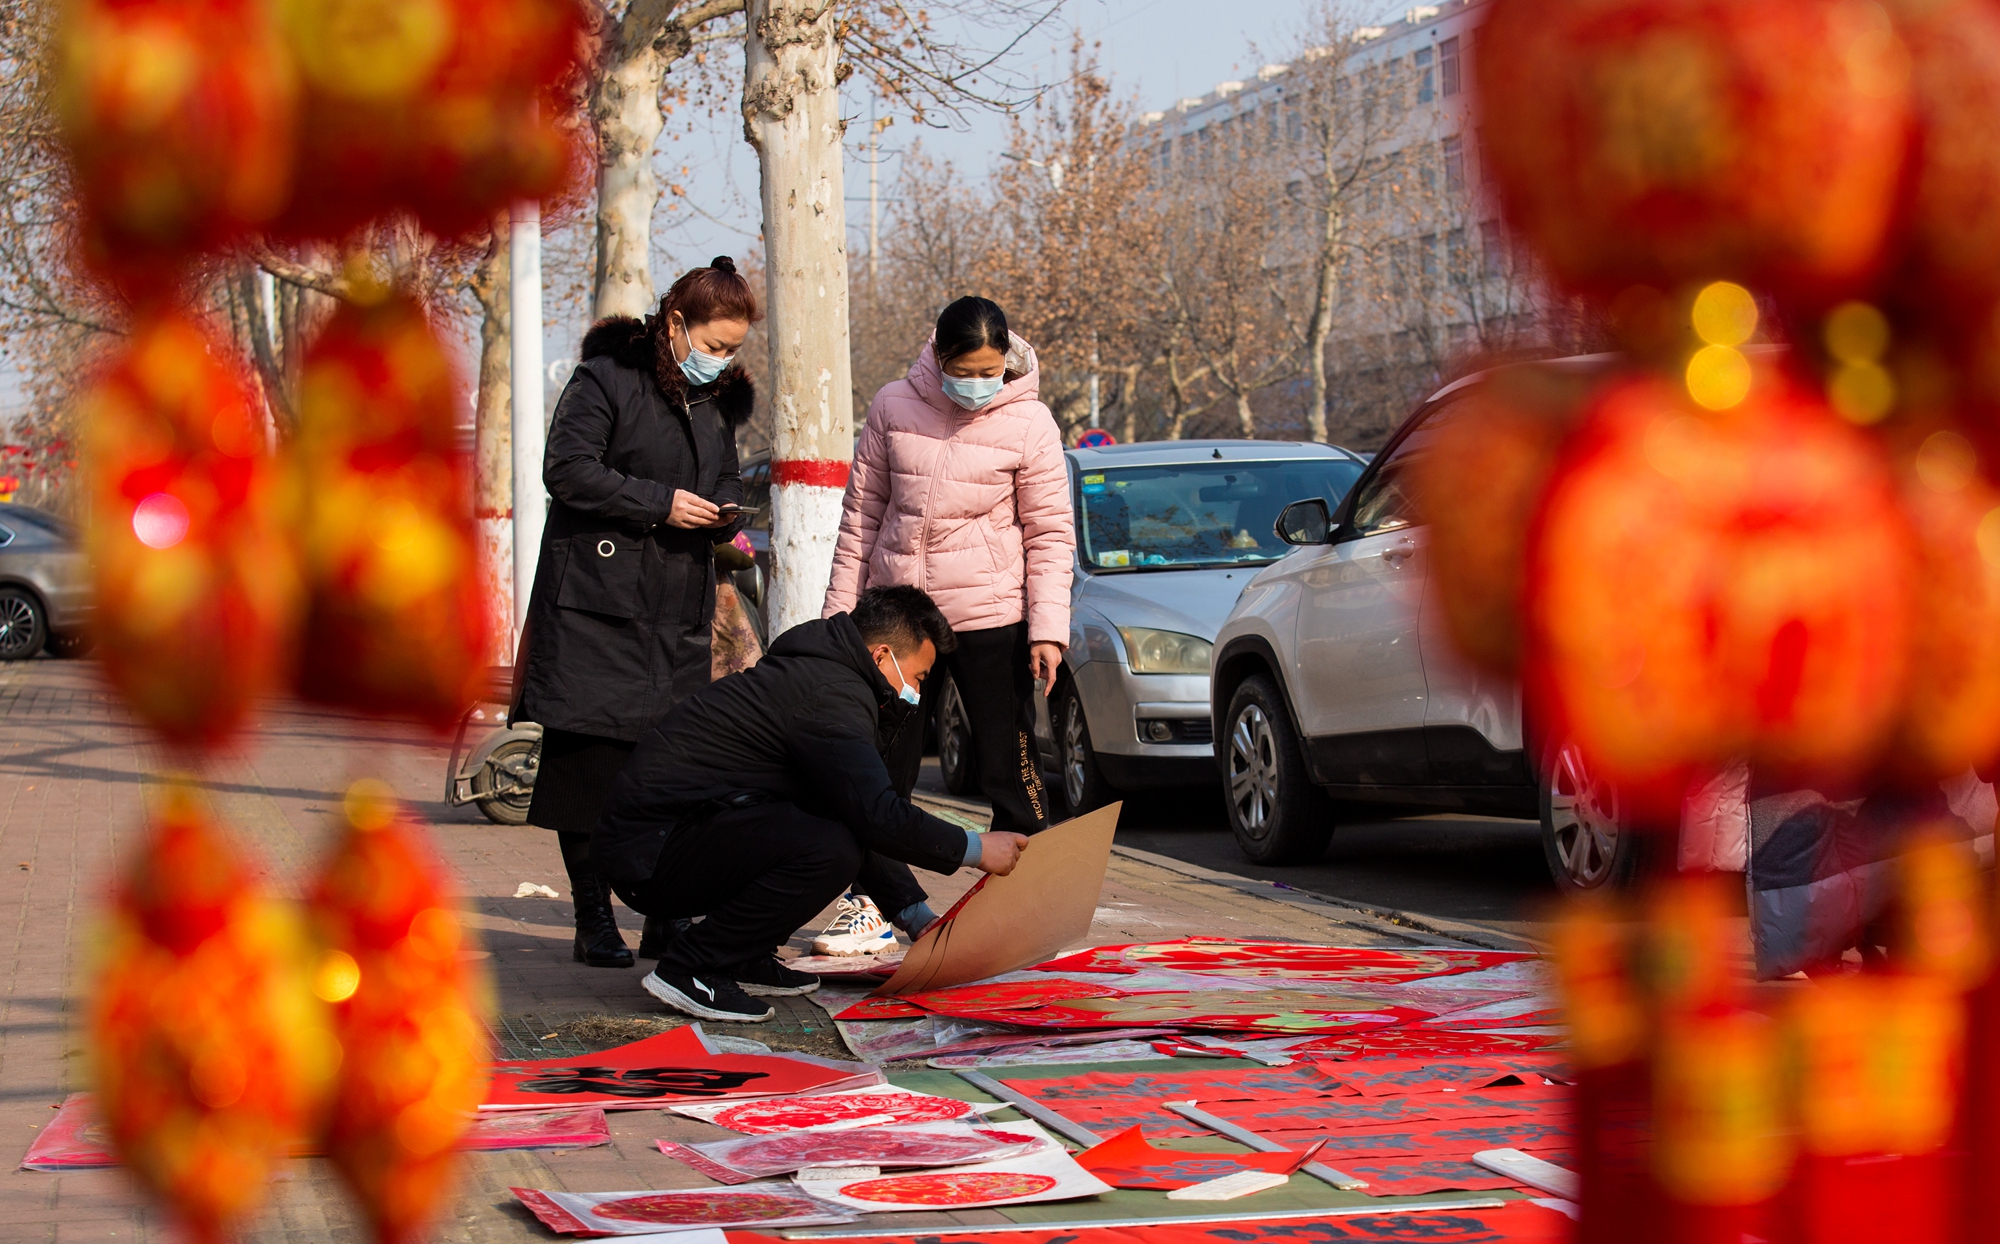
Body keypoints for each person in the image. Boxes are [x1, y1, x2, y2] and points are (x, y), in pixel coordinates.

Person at [593, 585, 1030, 1021]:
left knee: (831, 830)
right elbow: (877, 815)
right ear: (881, 657)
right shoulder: (830, 696)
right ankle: (694, 965)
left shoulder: (825, 676)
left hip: (670, 838)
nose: (917, 693)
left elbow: (857, 809)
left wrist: (917, 918)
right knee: (829, 849)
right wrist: (975, 848)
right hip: (652, 854)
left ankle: (743, 955)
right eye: (917, 678)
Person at [512, 257, 759, 970]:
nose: (723, 362)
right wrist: (658, 503)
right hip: (597, 607)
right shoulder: (605, 380)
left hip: (676, 610)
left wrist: (724, 510)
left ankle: (668, 914)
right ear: (676, 324)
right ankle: (595, 919)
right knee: (588, 774)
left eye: (733, 350)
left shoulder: (714, 402)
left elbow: (724, 474)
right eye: (714, 346)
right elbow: (567, 468)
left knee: (678, 776)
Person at [815, 296, 1074, 955]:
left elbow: (1049, 535)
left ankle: (1031, 905)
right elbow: (859, 523)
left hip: (992, 619)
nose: (979, 383)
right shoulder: (892, 407)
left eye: (992, 370)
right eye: (967, 369)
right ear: (939, 357)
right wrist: (837, 626)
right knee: (878, 772)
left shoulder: (1031, 423)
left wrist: (1048, 629)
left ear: (1008, 362)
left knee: (1009, 769)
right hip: (898, 628)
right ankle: (872, 903)